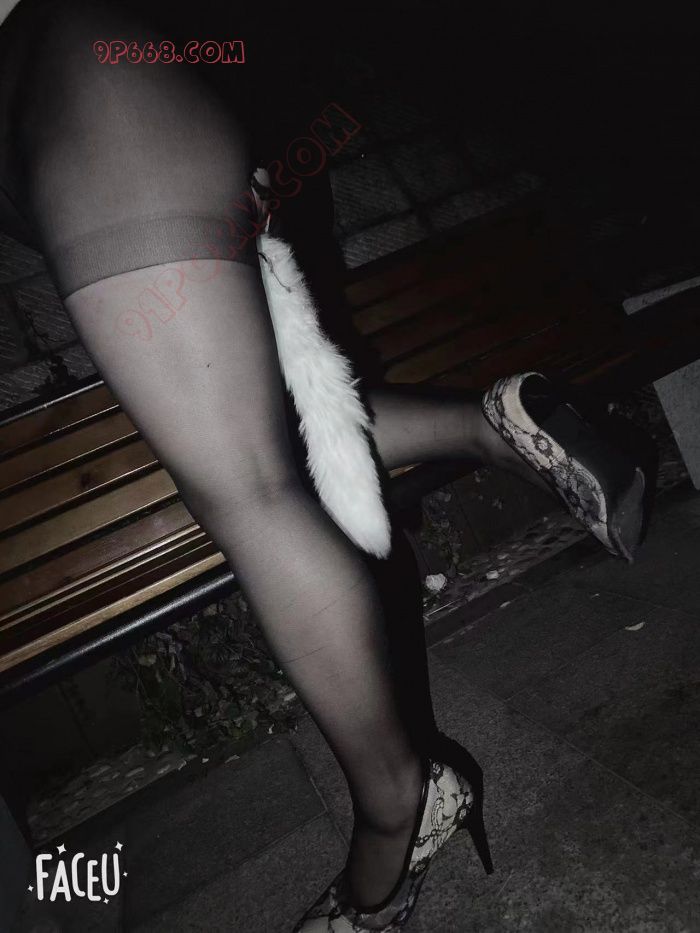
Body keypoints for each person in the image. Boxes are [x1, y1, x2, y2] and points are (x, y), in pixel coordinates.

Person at [0, 1, 653, 928]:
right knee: (269, 444)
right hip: (169, 74)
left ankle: (398, 806)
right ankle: (492, 425)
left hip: (96, 74)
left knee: (249, 486)